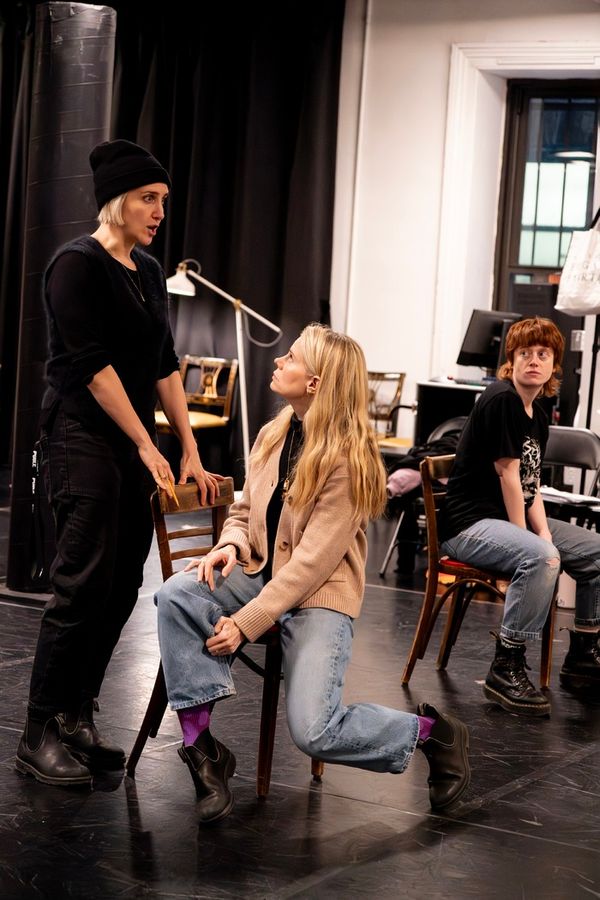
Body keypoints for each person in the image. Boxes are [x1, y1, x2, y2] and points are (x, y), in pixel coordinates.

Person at [155, 323, 470, 824]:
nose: (279, 362)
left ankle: (433, 735)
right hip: (260, 571)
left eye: (292, 358)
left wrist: (245, 623)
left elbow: (311, 565)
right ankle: (202, 751)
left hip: (319, 595)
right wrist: (229, 545)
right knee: (176, 594)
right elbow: (243, 511)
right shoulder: (275, 431)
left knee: (315, 731)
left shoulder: (349, 457)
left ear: (317, 384)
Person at [15, 139, 220, 787]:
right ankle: (37, 729)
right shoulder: (75, 266)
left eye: (163, 200)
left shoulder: (149, 271)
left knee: (120, 589)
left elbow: (162, 362)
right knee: (80, 586)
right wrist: (143, 442)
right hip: (81, 442)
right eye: (148, 199)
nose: (159, 211)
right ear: (117, 200)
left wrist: (186, 443)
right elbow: (92, 369)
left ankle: (77, 714)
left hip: (133, 448)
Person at [440, 316, 600, 718]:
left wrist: (543, 530)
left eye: (542, 354)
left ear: (553, 364)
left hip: (507, 519)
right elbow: (508, 474)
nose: (533, 360)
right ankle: (505, 664)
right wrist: (530, 539)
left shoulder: (539, 414)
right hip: (469, 524)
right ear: (510, 361)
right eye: (524, 353)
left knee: (596, 553)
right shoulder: (502, 399)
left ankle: (582, 655)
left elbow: (530, 484)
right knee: (541, 557)